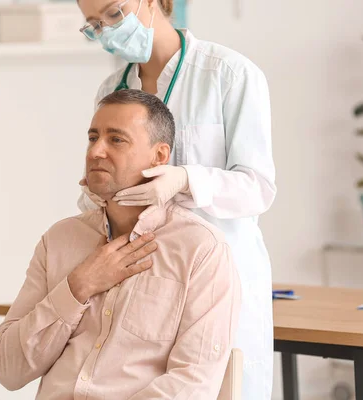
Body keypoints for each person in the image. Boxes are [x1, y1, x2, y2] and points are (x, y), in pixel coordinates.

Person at [76, 0, 276, 398]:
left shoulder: (229, 74)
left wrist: (185, 178)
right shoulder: (111, 90)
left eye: (114, 14)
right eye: (95, 25)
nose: (108, 31)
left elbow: (258, 186)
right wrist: (94, 194)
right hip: (143, 280)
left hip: (217, 278)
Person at [0, 89, 241, 399]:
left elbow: (191, 385)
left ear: (160, 156)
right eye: (93, 137)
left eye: (116, 140)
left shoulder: (201, 250)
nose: (96, 151)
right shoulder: (58, 240)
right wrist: (77, 287)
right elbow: (8, 370)